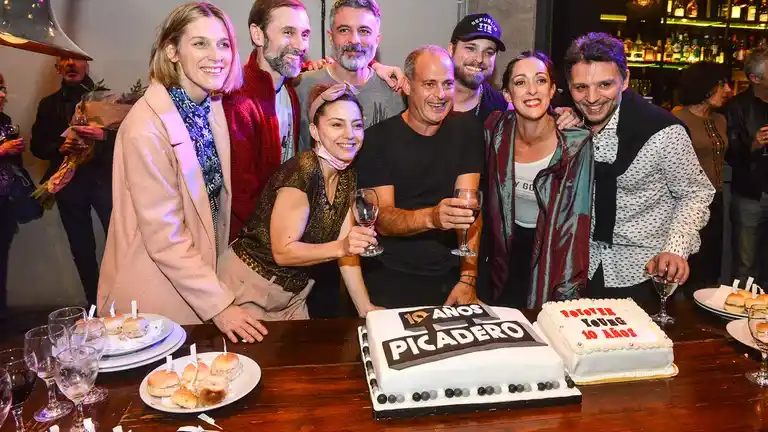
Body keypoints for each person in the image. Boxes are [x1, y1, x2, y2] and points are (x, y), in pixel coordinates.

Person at [98, 2, 267, 343]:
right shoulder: (146, 126)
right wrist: (220, 306)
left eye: (223, 44)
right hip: (154, 290)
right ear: (172, 51)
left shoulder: (211, 108)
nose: (216, 55)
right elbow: (165, 236)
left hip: (198, 281)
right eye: (200, 43)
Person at [565, 32, 714, 309]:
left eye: (605, 84)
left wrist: (675, 249)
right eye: (581, 88)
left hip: (645, 271)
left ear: (626, 80)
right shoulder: (570, 127)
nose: (592, 98)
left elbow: (696, 193)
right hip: (582, 267)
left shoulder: (662, 131)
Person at [218, 83, 379, 319]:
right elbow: (284, 252)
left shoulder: (347, 175)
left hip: (294, 294)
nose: (349, 135)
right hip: (247, 288)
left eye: (357, 125)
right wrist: (343, 246)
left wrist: (367, 309)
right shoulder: (304, 170)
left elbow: (347, 251)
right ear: (314, 131)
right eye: (336, 124)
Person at [354, 45, 483, 308]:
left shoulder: (467, 130)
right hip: (392, 277)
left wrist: (468, 278)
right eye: (429, 84)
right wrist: (432, 217)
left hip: (449, 279)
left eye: (447, 84)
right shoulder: (378, 139)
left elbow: (470, 214)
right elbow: (383, 219)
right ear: (408, 87)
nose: (440, 94)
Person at [482, 52, 593, 308]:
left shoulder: (574, 143)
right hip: (504, 255)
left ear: (553, 89)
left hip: (551, 254)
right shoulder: (495, 130)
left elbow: (576, 222)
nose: (532, 90)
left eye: (540, 81)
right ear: (508, 95)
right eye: (520, 82)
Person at [222, 0, 308, 242]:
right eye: (288, 32)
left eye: (304, 34)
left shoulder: (288, 89)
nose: (300, 45)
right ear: (257, 35)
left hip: (281, 232)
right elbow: (241, 195)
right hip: (252, 247)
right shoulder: (238, 101)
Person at [30, 57, 114, 306]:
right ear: (58, 68)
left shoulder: (107, 99)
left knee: (119, 242)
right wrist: (60, 147)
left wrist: (104, 136)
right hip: (69, 187)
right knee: (81, 249)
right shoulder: (49, 104)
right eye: (64, 61)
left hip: (103, 182)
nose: (70, 64)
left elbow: (130, 140)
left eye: (76, 60)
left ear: (87, 65)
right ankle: (95, 307)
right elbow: (37, 147)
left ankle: (123, 302)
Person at [295, 0, 406, 151]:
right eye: (344, 30)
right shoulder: (302, 87)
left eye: (364, 31)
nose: (354, 40)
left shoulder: (396, 92)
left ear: (377, 40)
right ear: (331, 37)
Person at [674, 62, 731, 291]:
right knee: (689, 263)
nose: (728, 90)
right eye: (721, 85)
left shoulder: (720, 120)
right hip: (687, 202)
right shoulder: (678, 119)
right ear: (704, 87)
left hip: (716, 200)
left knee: (711, 264)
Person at [725, 46, 768, 287]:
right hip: (750, 196)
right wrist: (753, 144)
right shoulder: (737, 107)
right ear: (755, 78)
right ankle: (738, 318)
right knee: (746, 266)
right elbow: (730, 154)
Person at [448, 13, 509, 121]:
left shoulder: (503, 110)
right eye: (471, 48)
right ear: (451, 49)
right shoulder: (422, 98)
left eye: (488, 52)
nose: (479, 59)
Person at [0, 76, 26, 315]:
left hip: (4, 200)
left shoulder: (4, 121)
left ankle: (2, 317)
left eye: (2, 89)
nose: (1, 95)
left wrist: (15, 151)